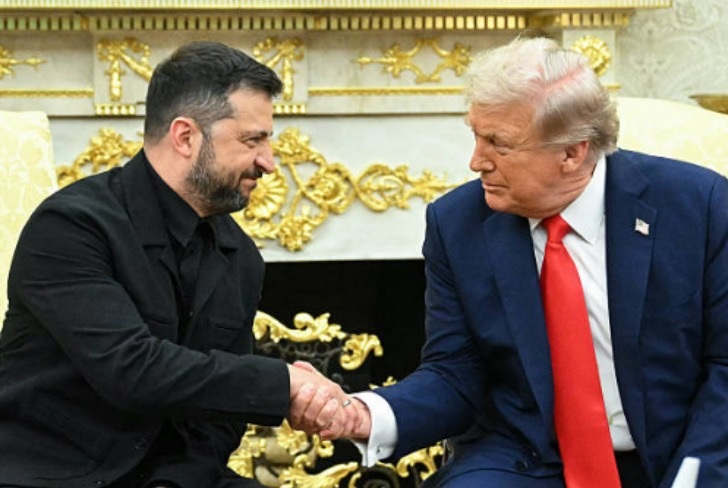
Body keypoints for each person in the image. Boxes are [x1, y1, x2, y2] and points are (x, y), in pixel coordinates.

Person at [322, 36, 728, 487]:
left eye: (499, 144)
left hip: (676, 453)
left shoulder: (698, 207)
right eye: (476, 136)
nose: (476, 161)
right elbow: (454, 373)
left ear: (572, 152)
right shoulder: (457, 224)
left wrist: (696, 475)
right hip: (529, 459)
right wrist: (367, 414)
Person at [0, 41, 358, 487]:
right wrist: (284, 384)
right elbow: (131, 369)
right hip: (52, 474)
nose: (268, 162)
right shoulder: (72, 226)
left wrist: (174, 483)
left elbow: (219, 421)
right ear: (185, 136)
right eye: (252, 140)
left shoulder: (240, 254)